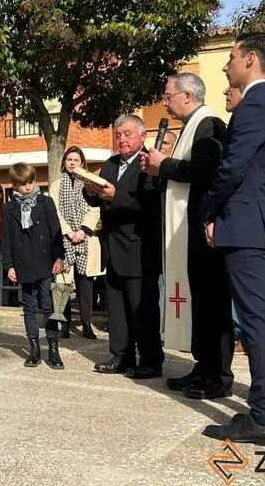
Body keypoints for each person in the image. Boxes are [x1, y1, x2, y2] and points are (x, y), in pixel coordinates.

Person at [199, 32, 265, 447]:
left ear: (250, 59)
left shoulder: (254, 105)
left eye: (231, 58)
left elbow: (233, 166)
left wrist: (207, 210)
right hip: (259, 223)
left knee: (258, 322)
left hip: (245, 224)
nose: (226, 65)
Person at [143, 73, 233, 400]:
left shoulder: (209, 125)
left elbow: (206, 174)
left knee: (213, 303)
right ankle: (204, 365)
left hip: (204, 230)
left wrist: (164, 166)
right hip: (190, 231)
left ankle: (219, 375)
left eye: (168, 96)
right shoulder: (192, 124)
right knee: (201, 303)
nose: (164, 102)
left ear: (187, 96)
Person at [84, 115, 164, 379]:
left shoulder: (148, 164)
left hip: (139, 246)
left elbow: (148, 205)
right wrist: (90, 190)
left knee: (142, 306)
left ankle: (150, 359)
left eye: (128, 134)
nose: (122, 139)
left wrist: (115, 196)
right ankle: (121, 355)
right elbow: (99, 201)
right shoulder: (110, 164)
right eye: (118, 134)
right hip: (113, 245)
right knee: (116, 306)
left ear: (142, 136)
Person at [0, 163, 65, 368]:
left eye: (31, 182)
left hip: (45, 260)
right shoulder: (9, 208)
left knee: (48, 306)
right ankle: (34, 348)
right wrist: (9, 264)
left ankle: (53, 349)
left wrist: (59, 257)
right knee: (29, 306)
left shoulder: (45, 202)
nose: (28, 187)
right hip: (23, 262)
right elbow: (7, 239)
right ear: (15, 185)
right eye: (23, 184)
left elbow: (56, 231)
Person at [49, 146, 105, 339]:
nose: (72, 163)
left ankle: (87, 324)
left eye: (76, 160)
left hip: (85, 238)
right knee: (63, 283)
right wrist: (69, 232)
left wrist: (83, 230)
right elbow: (55, 210)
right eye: (69, 159)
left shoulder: (89, 183)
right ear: (64, 162)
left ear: (82, 163)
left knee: (85, 284)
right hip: (64, 238)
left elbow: (95, 209)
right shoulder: (56, 185)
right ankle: (63, 323)